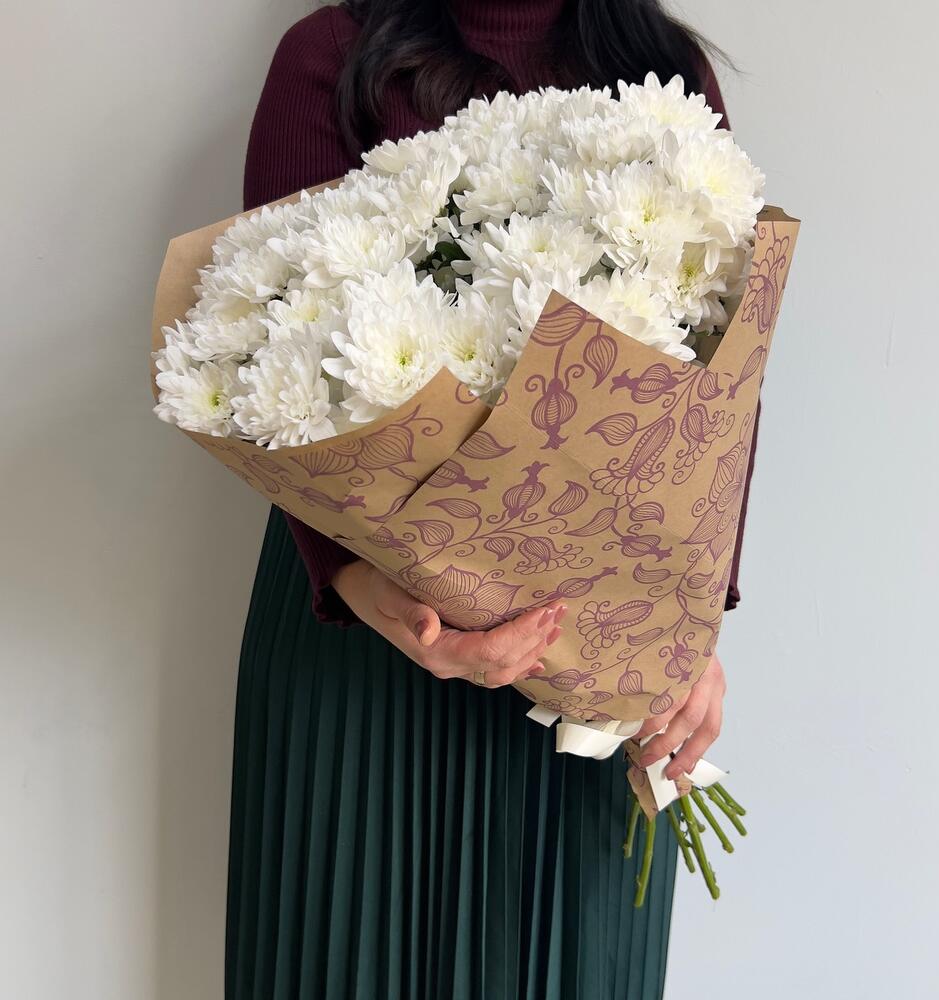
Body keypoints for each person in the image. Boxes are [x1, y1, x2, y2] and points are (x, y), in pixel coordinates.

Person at [228, 2, 748, 997]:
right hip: (362, 642)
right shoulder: (328, 60)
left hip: (591, 652)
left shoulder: (663, 70)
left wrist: (690, 622)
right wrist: (367, 591)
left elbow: (721, 378)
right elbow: (261, 359)